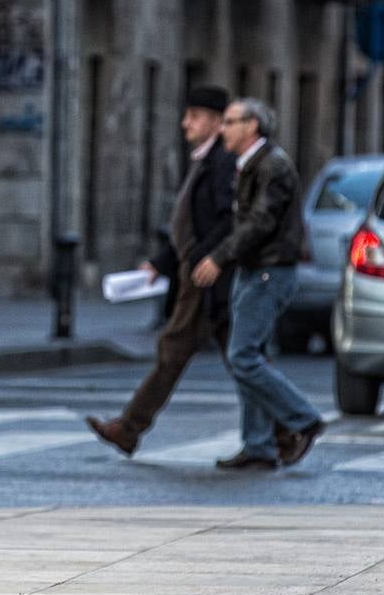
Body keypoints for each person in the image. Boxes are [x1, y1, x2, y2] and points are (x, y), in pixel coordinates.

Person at [87, 86, 238, 456]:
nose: (186, 123)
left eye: (195, 116)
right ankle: (287, 428)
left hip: (204, 278)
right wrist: (161, 263)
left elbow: (225, 221)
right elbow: (191, 225)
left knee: (188, 354)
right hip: (198, 273)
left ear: (218, 122)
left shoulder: (221, 164)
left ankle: (129, 427)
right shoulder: (206, 159)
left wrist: (204, 259)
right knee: (238, 358)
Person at [193, 98, 325, 470]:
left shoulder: (273, 166)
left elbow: (261, 222)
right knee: (251, 354)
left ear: (252, 127)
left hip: (269, 271)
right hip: (253, 270)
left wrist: (219, 257)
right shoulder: (250, 165)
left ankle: (303, 418)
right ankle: (259, 444)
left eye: (231, 122)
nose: (223, 129)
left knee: (243, 356)